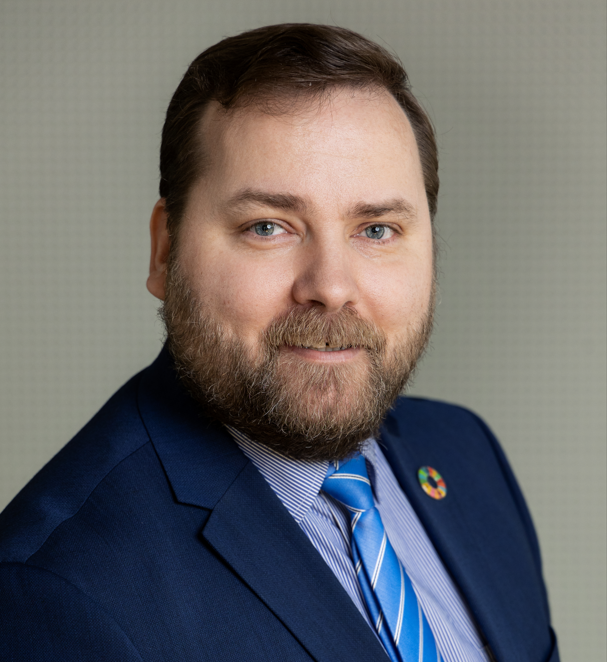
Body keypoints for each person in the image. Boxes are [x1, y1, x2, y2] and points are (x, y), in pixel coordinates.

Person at [0, 23, 559, 662]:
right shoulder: (55, 593)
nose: (331, 287)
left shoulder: (465, 453)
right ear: (164, 251)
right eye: (268, 226)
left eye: (377, 229)